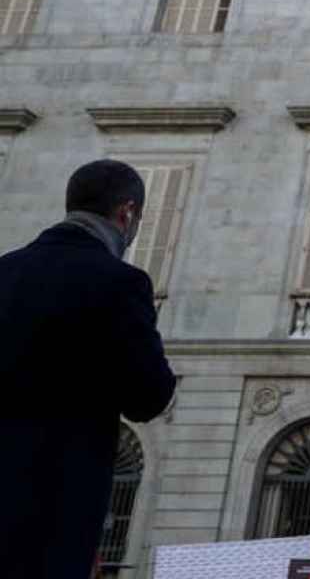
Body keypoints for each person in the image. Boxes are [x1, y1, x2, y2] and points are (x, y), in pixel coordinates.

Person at [0, 160, 177, 579]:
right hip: (54, 509)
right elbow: (148, 395)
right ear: (127, 214)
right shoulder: (119, 282)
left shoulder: (3, 271)